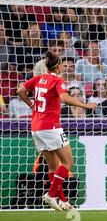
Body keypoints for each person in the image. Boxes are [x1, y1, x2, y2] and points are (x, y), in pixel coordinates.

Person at [16, 51, 97, 211]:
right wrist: (85, 106)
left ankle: (63, 200)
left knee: (53, 168)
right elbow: (65, 98)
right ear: (59, 66)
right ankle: (50, 194)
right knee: (67, 163)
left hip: (36, 127)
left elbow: (20, 90)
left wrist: (32, 105)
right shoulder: (57, 80)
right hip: (50, 127)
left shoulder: (38, 79)